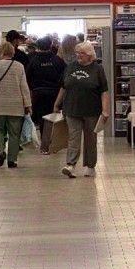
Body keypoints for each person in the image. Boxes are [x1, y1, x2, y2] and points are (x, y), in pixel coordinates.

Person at [54, 41, 109, 178]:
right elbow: (63, 87)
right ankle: (70, 165)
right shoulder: (70, 67)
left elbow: (104, 91)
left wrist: (105, 109)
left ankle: (90, 166)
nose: (78, 55)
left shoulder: (98, 69)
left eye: (82, 53)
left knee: (91, 139)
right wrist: (57, 103)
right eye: (77, 53)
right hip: (71, 109)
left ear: (90, 54)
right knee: (73, 138)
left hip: (92, 110)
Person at [0, 42, 32, 168]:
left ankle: (1, 151)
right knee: (14, 133)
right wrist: (28, 104)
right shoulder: (19, 66)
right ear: (12, 52)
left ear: (0, 52)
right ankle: (12, 160)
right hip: (16, 105)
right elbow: (24, 87)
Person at [26, 36, 66, 153]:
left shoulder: (33, 60)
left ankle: (45, 145)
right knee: (55, 118)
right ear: (50, 45)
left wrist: (31, 91)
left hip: (38, 93)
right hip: (55, 93)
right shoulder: (57, 60)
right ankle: (54, 143)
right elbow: (65, 75)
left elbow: (28, 77)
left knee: (42, 118)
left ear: (38, 46)